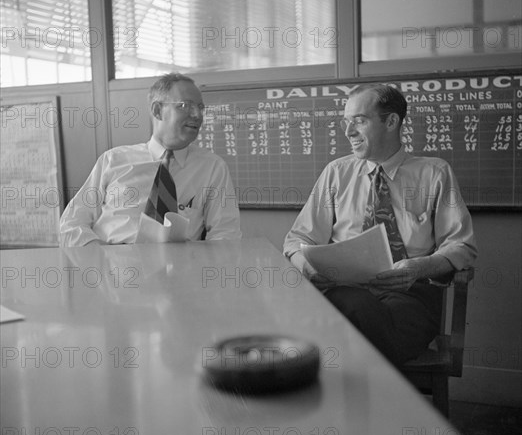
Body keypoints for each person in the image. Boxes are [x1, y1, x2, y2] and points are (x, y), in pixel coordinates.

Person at [283, 84, 477, 367]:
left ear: (391, 122)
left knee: (348, 328)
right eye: (346, 122)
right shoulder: (337, 173)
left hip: (410, 296)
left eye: (359, 121)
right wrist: (307, 266)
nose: (348, 132)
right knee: (355, 309)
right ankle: (383, 395)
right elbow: (297, 239)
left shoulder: (434, 173)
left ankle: (350, 390)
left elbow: (462, 245)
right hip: (346, 291)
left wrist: (419, 268)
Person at [60, 72, 241, 246]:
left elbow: (226, 234)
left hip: (179, 270)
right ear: (157, 110)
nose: (197, 115)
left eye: (200, 107)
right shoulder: (114, 160)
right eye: (185, 106)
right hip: (113, 268)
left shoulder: (212, 167)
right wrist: (100, 256)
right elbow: (72, 224)